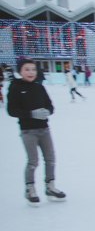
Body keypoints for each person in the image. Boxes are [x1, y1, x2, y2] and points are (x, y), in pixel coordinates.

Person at [6, 58, 67, 205]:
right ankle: (29, 188)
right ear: (20, 71)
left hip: (44, 129)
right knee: (33, 161)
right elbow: (12, 110)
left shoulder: (39, 87)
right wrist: (31, 114)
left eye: (33, 69)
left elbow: (50, 106)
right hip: (28, 131)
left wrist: (47, 111)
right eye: (27, 69)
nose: (30, 72)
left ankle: (50, 186)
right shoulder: (15, 87)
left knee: (50, 159)